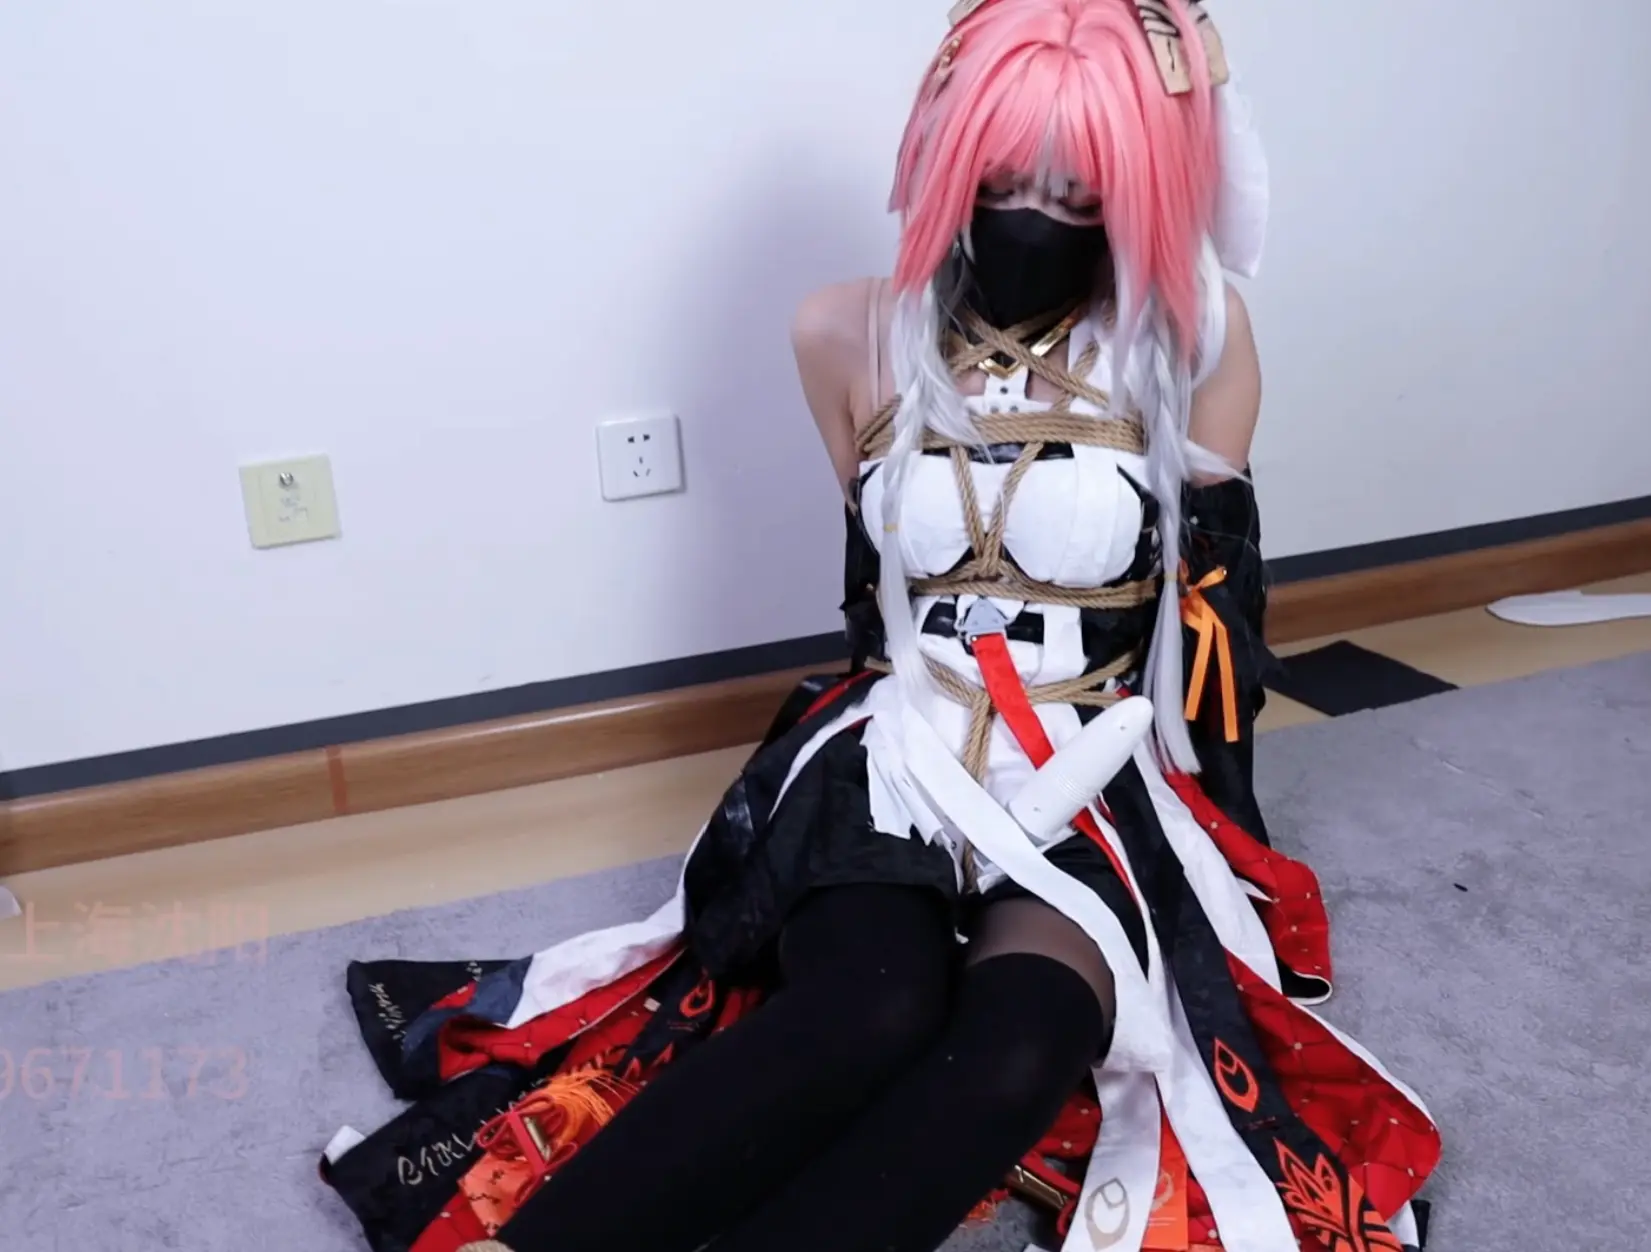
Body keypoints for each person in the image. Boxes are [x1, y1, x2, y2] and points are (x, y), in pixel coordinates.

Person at [320, 4, 1441, 1251]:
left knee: (1018, 1045)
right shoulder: (846, 332)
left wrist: (1181, 68)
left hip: (1086, 773)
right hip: (897, 752)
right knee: (867, 1010)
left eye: (1078, 195)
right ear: (948, 157)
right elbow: (877, 578)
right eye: (1002, 180)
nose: (1033, 218)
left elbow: (1216, 598)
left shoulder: (1185, 350)